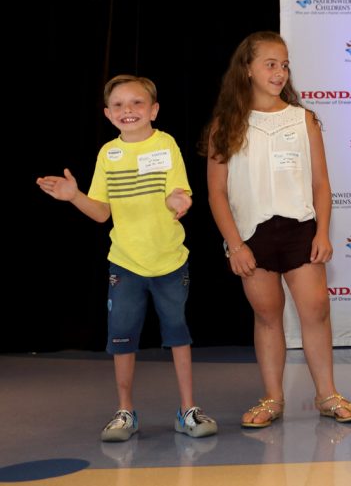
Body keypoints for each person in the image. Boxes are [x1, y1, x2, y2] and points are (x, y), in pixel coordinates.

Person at [36, 75, 218, 442]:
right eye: (118, 105)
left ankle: (188, 410)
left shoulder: (166, 144)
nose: (128, 111)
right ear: (107, 113)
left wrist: (178, 201)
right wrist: (74, 196)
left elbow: (179, 192)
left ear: (153, 110)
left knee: (178, 336)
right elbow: (102, 213)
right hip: (125, 263)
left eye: (137, 103)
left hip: (169, 261)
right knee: (122, 338)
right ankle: (125, 412)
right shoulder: (108, 153)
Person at [203, 31, 351, 428]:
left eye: (284, 64)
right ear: (247, 69)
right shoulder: (225, 125)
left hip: (300, 231)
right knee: (268, 315)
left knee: (316, 310)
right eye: (270, 64)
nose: (279, 72)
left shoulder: (303, 118)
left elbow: (321, 184)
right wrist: (235, 245)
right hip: (251, 239)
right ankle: (272, 397)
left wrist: (322, 232)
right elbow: (217, 194)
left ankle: (327, 395)